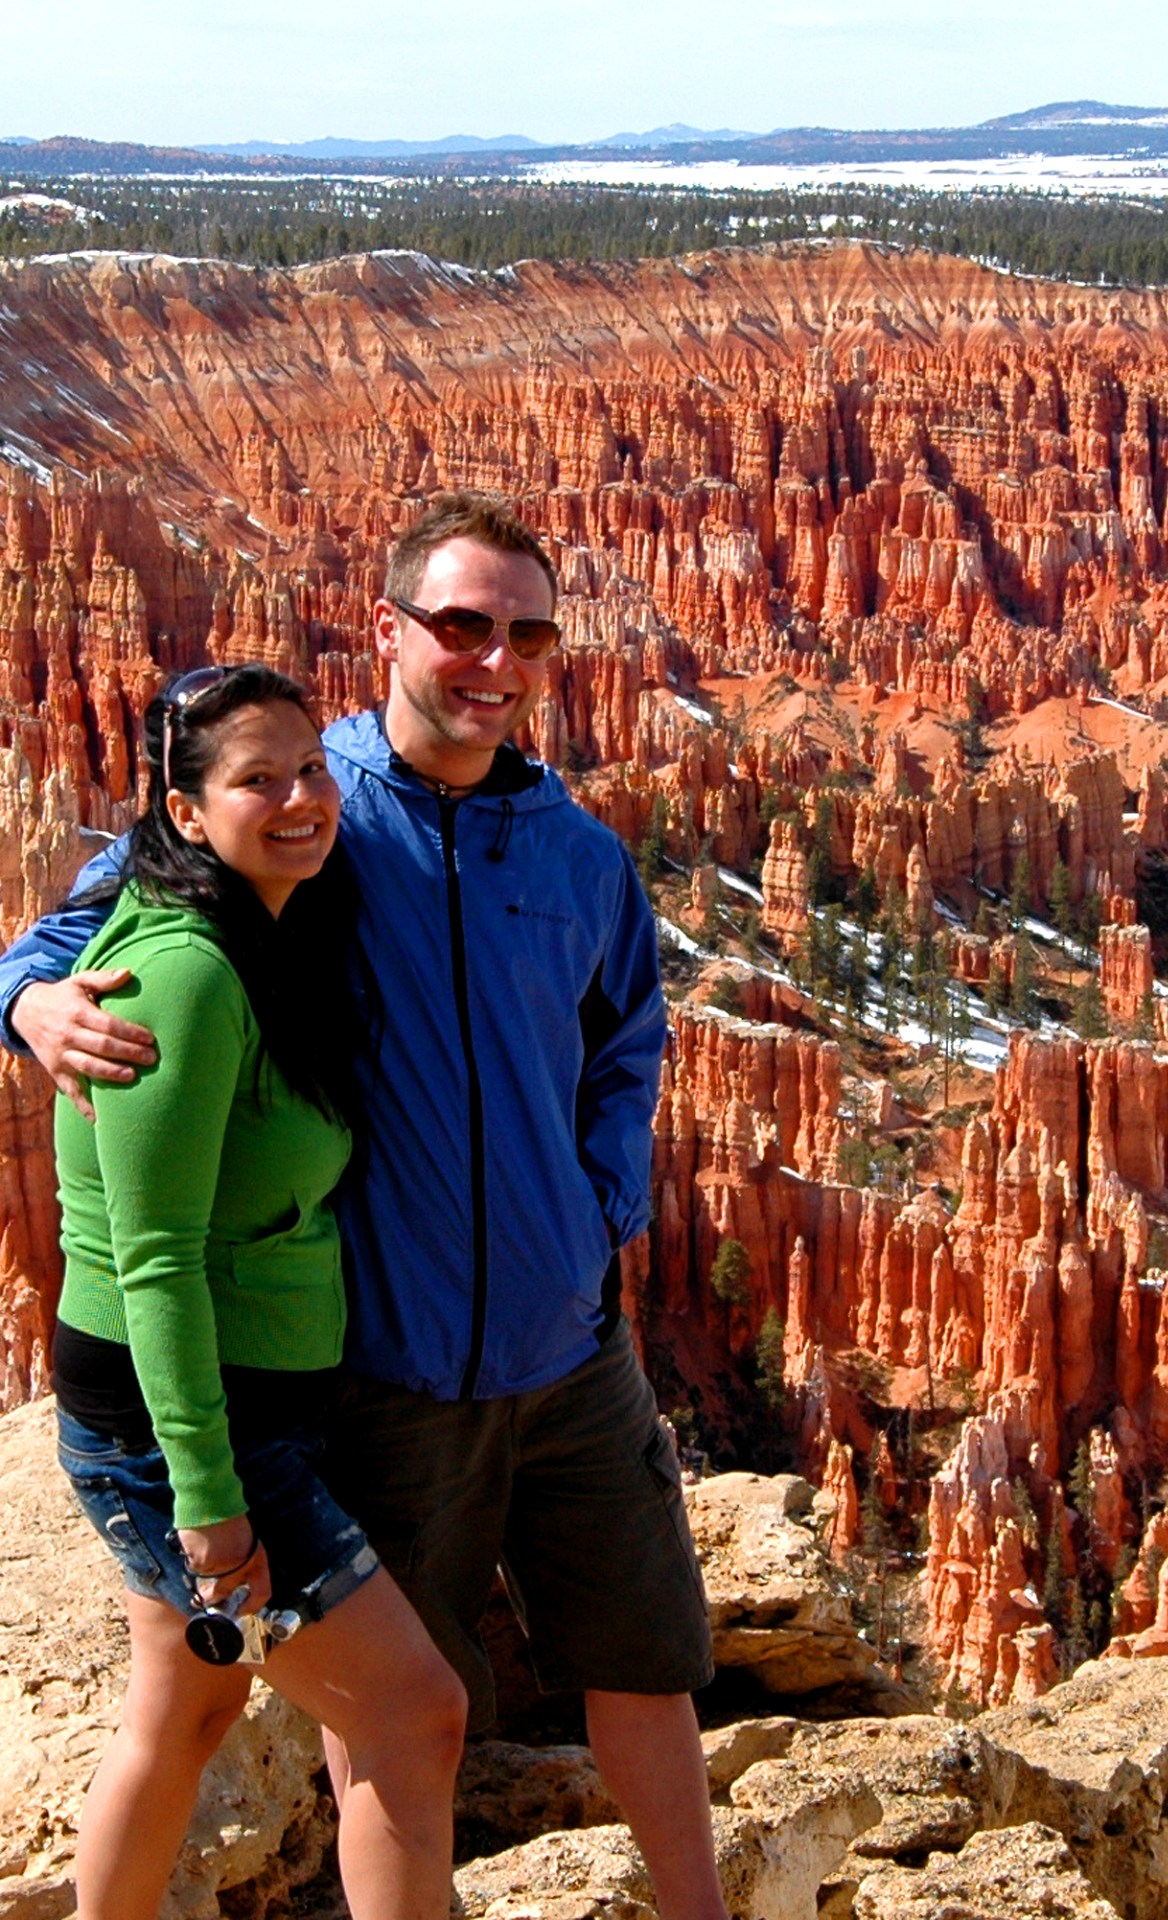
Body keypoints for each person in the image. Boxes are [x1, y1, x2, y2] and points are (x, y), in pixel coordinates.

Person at [2, 496, 727, 1920]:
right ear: (388, 630)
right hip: (386, 1374)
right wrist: (24, 997)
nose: (495, 660)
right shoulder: (306, 804)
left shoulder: (578, 857)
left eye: (525, 632)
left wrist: (597, 1212)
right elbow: (99, 916)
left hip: (572, 1349)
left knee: (645, 1663)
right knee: (397, 1721)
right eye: (462, 624)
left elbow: (626, 1049)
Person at [48, 665, 467, 1920]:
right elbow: (154, 1256)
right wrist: (213, 1503)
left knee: (183, 1709)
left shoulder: (259, 934)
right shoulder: (185, 974)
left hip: (233, 1400)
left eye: (310, 768)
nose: (298, 799)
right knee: (416, 1715)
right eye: (255, 779)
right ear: (185, 813)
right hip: (190, 1418)